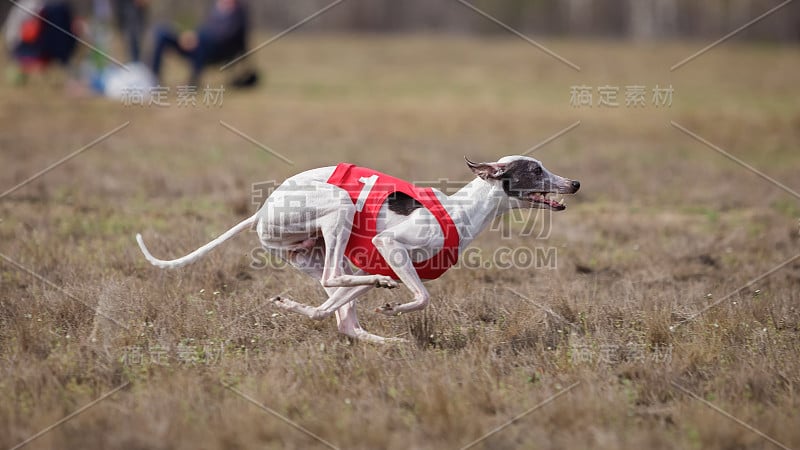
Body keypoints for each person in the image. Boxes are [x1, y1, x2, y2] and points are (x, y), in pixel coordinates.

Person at [149, 0, 247, 85]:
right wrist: (189, 35)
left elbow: (227, 36)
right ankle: (153, 78)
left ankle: (194, 81)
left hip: (214, 50)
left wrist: (197, 38)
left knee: (201, 41)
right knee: (162, 32)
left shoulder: (238, 14)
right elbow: (204, 28)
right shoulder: (216, 10)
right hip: (196, 44)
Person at [3, 0, 78, 82]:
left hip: (45, 53)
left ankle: (59, 63)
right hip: (26, 50)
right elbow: (17, 36)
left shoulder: (60, 8)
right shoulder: (29, 5)